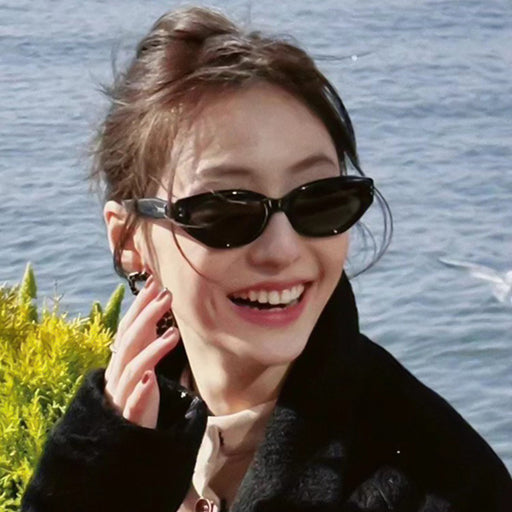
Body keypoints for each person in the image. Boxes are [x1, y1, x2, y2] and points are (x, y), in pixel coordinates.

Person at [21, 6, 512, 512]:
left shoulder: (444, 484)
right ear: (129, 239)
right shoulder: (116, 434)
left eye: (319, 200)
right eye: (224, 210)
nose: (283, 250)